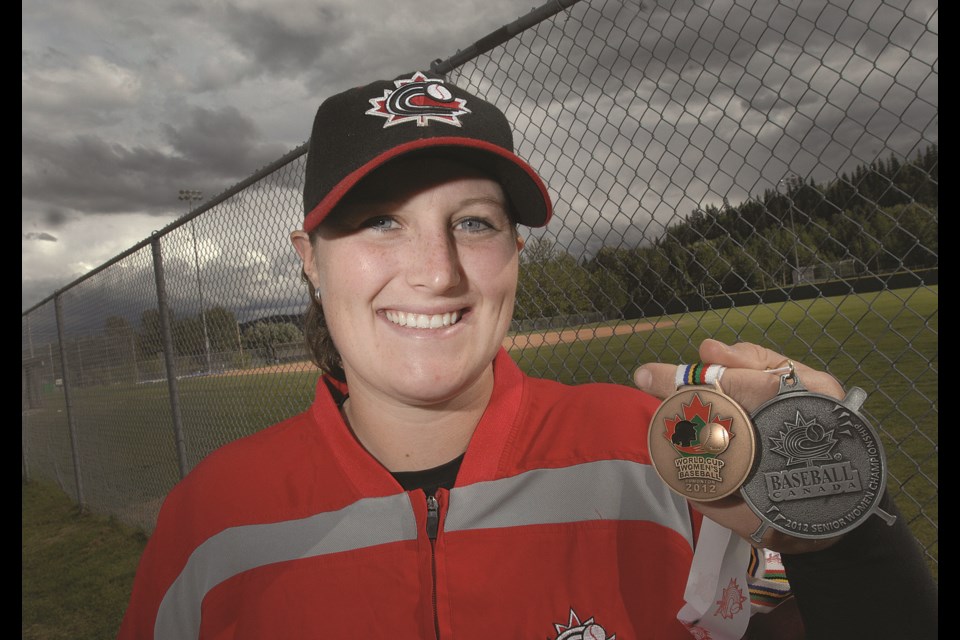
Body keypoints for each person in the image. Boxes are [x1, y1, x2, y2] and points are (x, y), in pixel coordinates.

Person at [118, 71, 936, 639]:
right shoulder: (212, 521)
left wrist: (839, 527)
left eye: (473, 222)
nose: (437, 272)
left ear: (516, 251)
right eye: (379, 221)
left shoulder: (671, 455)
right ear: (308, 257)